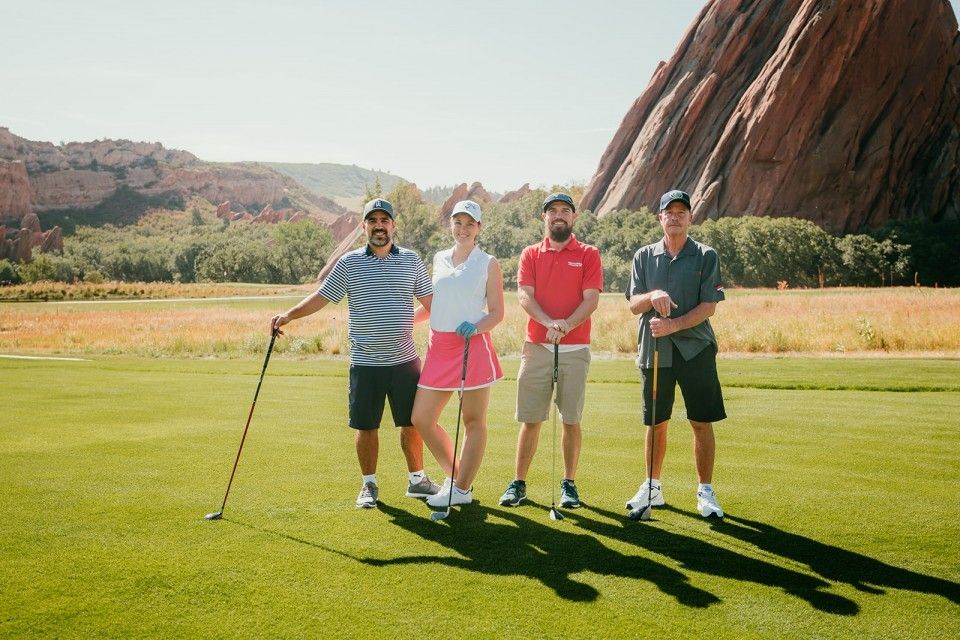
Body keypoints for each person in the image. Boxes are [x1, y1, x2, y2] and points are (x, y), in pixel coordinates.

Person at [270, 198, 441, 509]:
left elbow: (433, 303)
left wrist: (465, 324)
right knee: (366, 427)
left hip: (405, 361)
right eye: (372, 220)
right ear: (364, 227)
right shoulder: (349, 264)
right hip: (365, 363)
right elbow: (321, 297)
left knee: (411, 423)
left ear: (393, 226)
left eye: (384, 220)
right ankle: (369, 485)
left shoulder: (411, 261)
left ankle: (417, 480)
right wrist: (289, 315)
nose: (378, 225)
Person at [625, 189, 727, 518]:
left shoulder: (706, 255)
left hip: (695, 350)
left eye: (681, 212)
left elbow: (709, 306)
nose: (675, 217)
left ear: (690, 218)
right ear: (660, 218)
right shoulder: (643, 256)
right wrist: (652, 294)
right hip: (655, 351)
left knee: (701, 421)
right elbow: (632, 304)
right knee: (656, 423)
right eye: (669, 212)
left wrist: (675, 325)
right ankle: (652, 488)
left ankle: (705, 491)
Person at [499, 192, 602, 509]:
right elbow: (524, 296)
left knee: (570, 420)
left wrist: (566, 326)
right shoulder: (530, 254)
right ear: (544, 217)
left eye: (565, 210)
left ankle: (569, 485)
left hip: (575, 348)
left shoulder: (588, 254)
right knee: (530, 419)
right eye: (552, 211)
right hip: (537, 347)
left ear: (574, 218)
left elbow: (591, 299)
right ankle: (518, 484)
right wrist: (548, 324)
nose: (559, 215)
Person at [411, 200, 505, 509]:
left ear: (479, 228)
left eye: (469, 223)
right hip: (439, 348)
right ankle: (455, 477)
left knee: (474, 421)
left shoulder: (488, 262)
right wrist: (406, 320)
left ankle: (461, 488)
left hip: (471, 346)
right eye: (458, 222)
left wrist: (476, 327)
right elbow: (434, 303)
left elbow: (497, 313)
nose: (463, 229)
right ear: (451, 225)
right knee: (421, 418)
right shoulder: (439, 258)